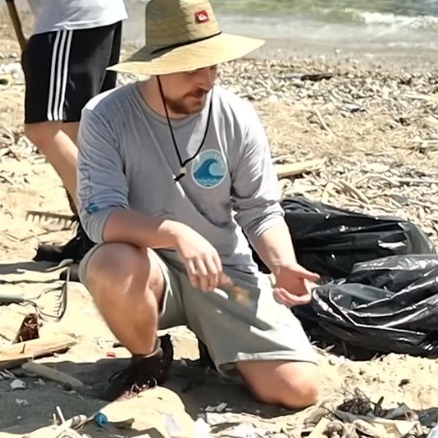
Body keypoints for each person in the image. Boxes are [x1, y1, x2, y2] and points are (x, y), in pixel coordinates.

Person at [75, 0, 321, 408]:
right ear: (156, 66)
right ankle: (149, 359)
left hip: (224, 276)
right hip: (150, 270)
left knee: (299, 390)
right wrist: (174, 232)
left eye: (213, 65)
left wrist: (282, 264)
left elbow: (260, 210)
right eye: (193, 67)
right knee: (112, 262)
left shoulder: (236, 115)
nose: (207, 80)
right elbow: (99, 216)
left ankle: (215, 341)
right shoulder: (105, 116)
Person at [21, 0, 127, 264]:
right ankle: (94, 232)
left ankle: (106, 228)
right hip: (93, 14)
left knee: (44, 128)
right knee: (77, 127)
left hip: (70, 16)